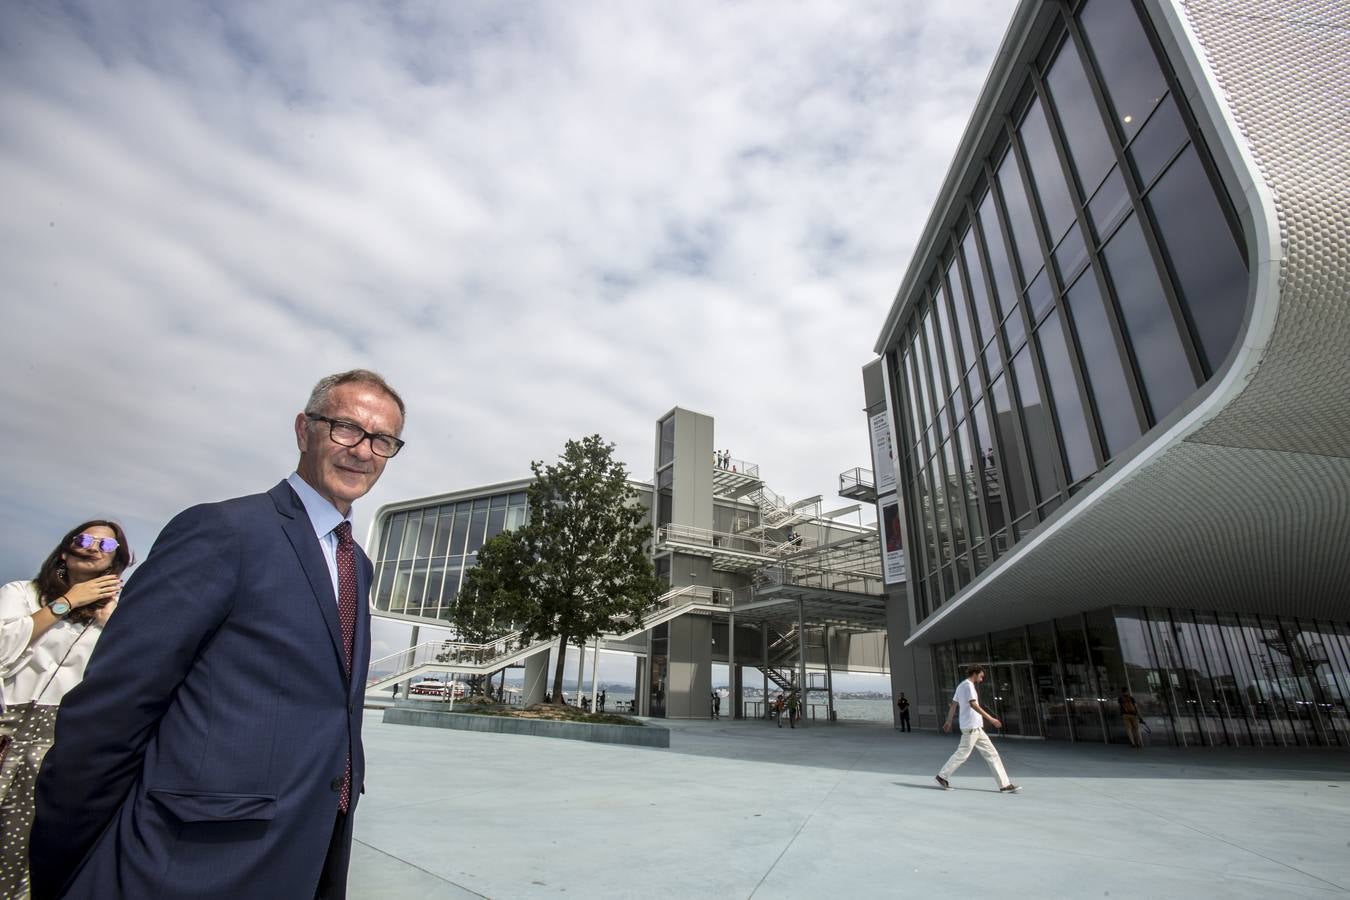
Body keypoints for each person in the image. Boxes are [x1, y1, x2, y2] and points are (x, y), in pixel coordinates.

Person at [31, 369, 406, 900]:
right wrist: (75, 863)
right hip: (188, 861)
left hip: (303, 847)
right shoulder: (223, 531)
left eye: (381, 439)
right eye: (345, 427)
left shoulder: (357, 564)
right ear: (304, 430)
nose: (362, 450)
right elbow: (113, 710)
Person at [0, 521, 130, 898]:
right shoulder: (22, 594)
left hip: (54, 741)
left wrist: (113, 628)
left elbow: (121, 682)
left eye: (105, 545)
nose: (92, 547)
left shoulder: (116, 617)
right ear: (64, 551)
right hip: (7, 723)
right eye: (84, 539)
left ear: (116, 562)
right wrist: (67, 602)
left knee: (20, 845)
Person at [935, 666, 1020, 793]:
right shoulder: (969, 686)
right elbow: (973, 704)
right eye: (981, 676)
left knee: (992, 754)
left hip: (975, 728)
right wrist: (991, 719)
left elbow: (953, 705)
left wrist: (948, 721)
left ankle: (1005, 785)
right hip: (971, 728)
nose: (981, 679)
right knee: (962, 754)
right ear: (974, 674)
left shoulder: (961, 685)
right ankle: (942, 776)